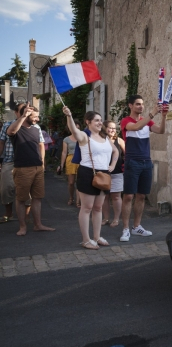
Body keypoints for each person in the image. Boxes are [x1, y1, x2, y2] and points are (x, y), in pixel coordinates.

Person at [63, 107, 118, 249]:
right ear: (88, 122)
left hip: (104, 174)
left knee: (98, 207)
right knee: (87, 208)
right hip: (87, 173)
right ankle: (86, 240)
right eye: (97, 120)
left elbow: (115, 151)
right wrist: (69, 116)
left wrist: (112, 165)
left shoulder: (105, 137)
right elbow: (73, 130)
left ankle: (97, 237)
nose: (100, 123)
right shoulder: (84, 136)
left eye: (101, 120)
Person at [119, 95, 167, 242]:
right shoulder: (126, 121)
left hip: (146, 162)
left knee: (141, 196)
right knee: (128, 196)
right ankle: (126, 229)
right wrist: (152, 113)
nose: (141, 106)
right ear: (130, 106)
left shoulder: (148, 122)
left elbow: (160, 131)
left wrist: (164, 117)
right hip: (132, 162)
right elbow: (136, 127)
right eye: (138, 104)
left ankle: (137, 226)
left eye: (142, 104)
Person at [7, 103, 54, 235]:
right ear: (25, 115)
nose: (37, 119)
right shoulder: (16, 128)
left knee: (37, 198)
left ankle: (38, 225)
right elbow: (10, 132)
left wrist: (42, 164)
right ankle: (22, 227)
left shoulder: (36, 129)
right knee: (21, 199)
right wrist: (22, 117)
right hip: (22, 168)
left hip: (37, 167)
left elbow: (40, 145)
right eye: (34, 117)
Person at [0, 103, 31, 223]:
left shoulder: (32, 125)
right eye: (22, 110)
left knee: (27, 189)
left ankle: (27, 215)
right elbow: (1, 142)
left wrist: (42, 163)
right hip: (9, 160)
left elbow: (40, 145)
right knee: (6, 188)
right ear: (16, 112)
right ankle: (8, 213)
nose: (25, 112)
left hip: (26, 163)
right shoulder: (8, 125)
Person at [102, 120, 125, 228]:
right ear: (105, 128)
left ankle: (116, 219)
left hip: (117, 172)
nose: (112, 130)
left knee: (116, 196)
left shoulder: (119, 141)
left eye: (114, 128)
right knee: (104, 197)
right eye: (110, 128)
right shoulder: (101, 140)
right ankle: (106, 218)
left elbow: (126, 154)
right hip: (103, 173)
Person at [58, 120, 82, 206]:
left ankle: (78, 201)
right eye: (74, 127)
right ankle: (71, 197)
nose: (76, 129)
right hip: (70, 159)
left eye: (77, 127)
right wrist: (61, 164)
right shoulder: (66, 139)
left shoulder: (82, 137)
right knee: (71, 182)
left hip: (81, 159)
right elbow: (64, 152)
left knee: (79, 181)